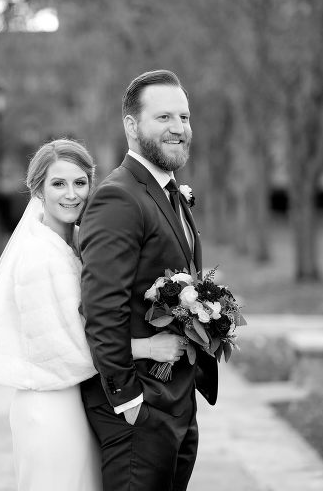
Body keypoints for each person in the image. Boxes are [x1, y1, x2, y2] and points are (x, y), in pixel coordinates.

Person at [0, 138, 187, 491]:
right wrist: (148, 347)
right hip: (49, 407)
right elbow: (62, 349)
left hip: (77, 402)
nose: (71, 194)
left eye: (80, 182)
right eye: (58, 184)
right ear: (38, 189)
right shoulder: (37, 258)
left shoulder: (77, 244)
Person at [79, 70, 219, 491]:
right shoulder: (118, 196)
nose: (179, 128)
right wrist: (129, 400)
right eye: (163, 117)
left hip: (177, 400)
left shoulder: (169, 192)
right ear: (131, 125)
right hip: (139, 408)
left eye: (184, 117)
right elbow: (102, 309)